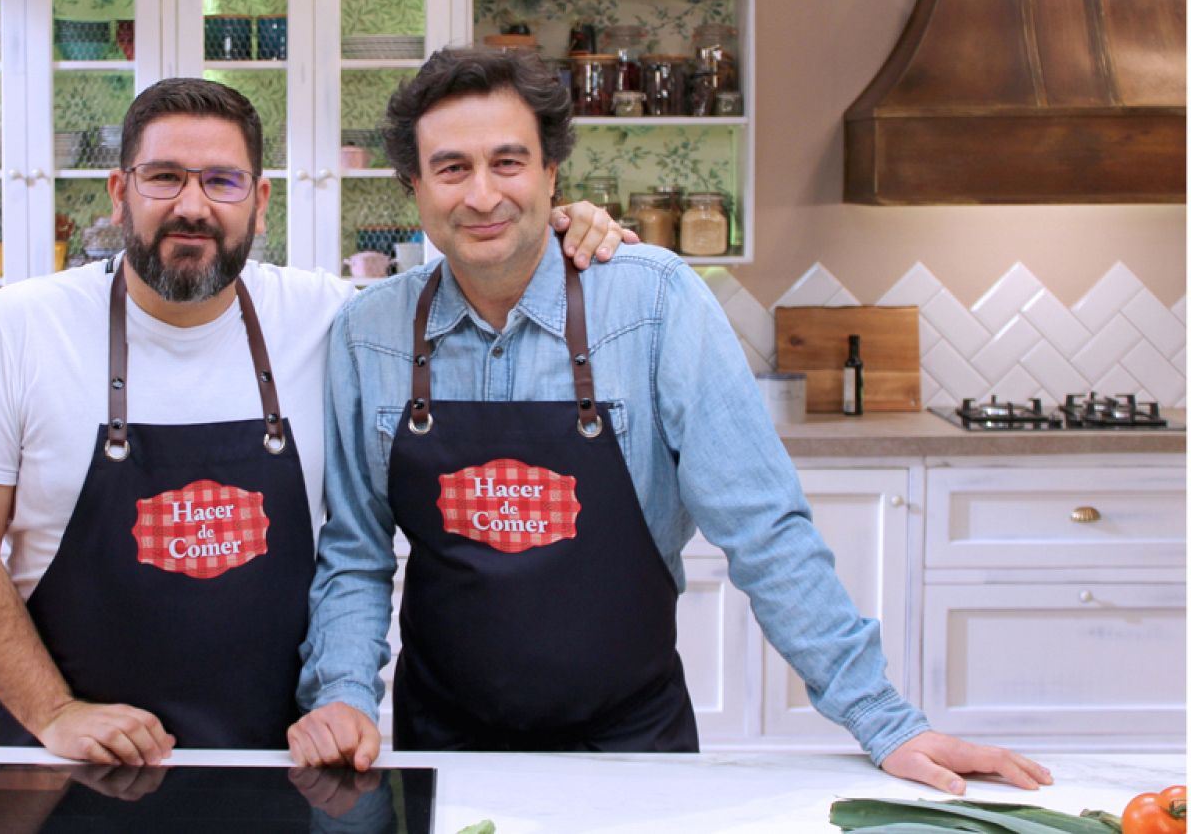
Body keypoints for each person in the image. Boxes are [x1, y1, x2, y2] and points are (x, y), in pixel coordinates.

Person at [287, 48, 1055, 796]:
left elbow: (763, 529)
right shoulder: (372, 331)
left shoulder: (655, 303)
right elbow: (356, 553)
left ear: (553, 174)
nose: (482, 194)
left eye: (509, 162)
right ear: (415, 187)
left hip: (634, 747)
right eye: (452, 168)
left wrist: (885, 722)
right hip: (444, 749)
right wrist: (343, 696)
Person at [0, 77, 631, 765]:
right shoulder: (15, 329)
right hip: (73, 759)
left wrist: (556, 226)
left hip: (282, 764)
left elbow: (472, 276)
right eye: (164, 177)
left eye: (221, 182)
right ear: (120, 194)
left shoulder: (330, 318)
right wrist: (52, 711)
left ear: (260, 204)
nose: (192, 206)